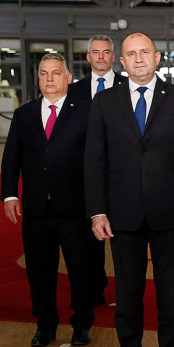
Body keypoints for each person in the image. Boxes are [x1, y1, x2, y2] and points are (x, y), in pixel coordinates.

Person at [84, 32, 174, 347]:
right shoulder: (104, 102)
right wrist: (97, 211)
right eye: (131, 54)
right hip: (122, 217)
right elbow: (93, 161)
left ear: (157, 57)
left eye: (144, 52)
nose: (138, 59)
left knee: (170, 301)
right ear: (121, 62)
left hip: (171, 215)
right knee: (128, 301)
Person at [0, 53, 95, 347]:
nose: (49, 78)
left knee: (80, 270)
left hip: (75, 208)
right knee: (39, 271)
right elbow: (11, 158)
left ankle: (82, 324)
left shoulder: (87, 112)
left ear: (68, 78)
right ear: (38, 78)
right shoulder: (23, 115)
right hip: (36, 209)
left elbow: (97, 160)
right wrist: (10, 194)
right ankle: (45, 325)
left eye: (55, 73)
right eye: (44, 73)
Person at [68, 34, 127, 306]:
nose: (101, 56)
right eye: (96, 52)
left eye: (106, 52)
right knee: (89, 238)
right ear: (88, 57)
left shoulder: (129, 85)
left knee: (123, 238)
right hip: (85, 174)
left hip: (121, 174)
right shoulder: (74, 91)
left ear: (113, 57)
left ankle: (126, 294)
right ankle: (94, 289)